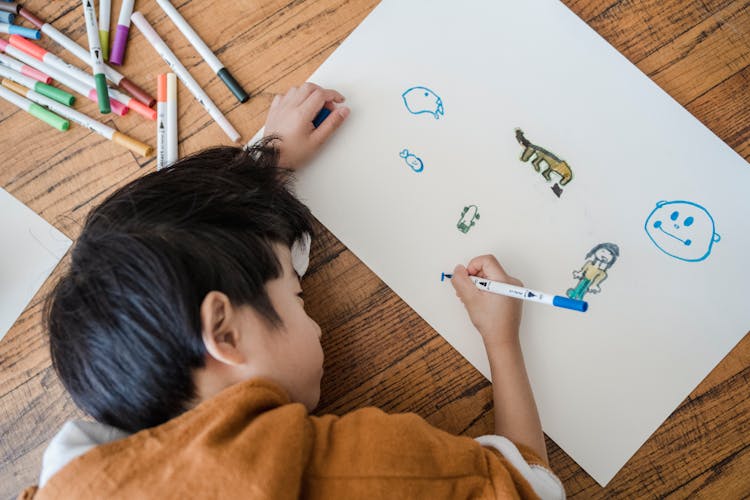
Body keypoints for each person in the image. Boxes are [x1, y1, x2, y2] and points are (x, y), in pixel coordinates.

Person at [19, 83, 564, 500]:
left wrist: (263, 169)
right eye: (296, 299)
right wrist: (502, 341)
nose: (315, 321)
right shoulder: (355, 467)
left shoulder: (81, 475)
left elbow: (219, 263)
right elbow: (524, 486)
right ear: (224, 333)